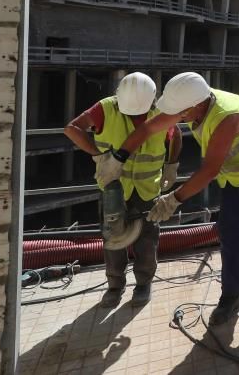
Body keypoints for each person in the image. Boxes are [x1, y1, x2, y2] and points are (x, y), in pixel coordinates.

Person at [96, 71, 239, 325]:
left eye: (181, 112)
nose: (178, 117)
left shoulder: (228, 116)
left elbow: (209, 170)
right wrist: (119, 157)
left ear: (195, 105)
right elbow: (150, 127)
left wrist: (173, 200)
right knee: (230, 236)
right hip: (235, 179)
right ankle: (230, 296)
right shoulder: (193, 102)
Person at [64, 72, 182, 307]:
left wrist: (172, 166)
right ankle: (115, 285)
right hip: (114, 189)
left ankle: (143, 284)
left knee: (147, 240)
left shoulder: (161, 112)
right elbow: (72, 128)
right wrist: (99, 156)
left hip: (147, 188)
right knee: (113, 238)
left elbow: (176, 133)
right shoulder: (106, 109)